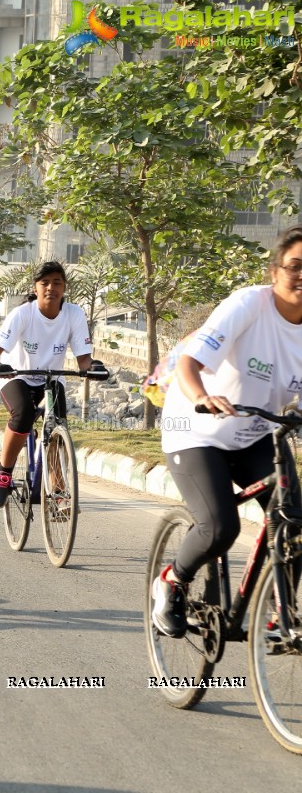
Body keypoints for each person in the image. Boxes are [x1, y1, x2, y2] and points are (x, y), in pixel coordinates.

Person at [151, 227, 302, 638]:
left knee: (295, 520)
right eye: (296, 266)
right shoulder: (248, 304)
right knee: (220, 527)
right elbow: (188, 363)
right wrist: (201, 396)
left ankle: (281, 614)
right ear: (275, 272)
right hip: (198, 430)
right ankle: (171, 581)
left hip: (256, 433)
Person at [0, 261, 99, 506]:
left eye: (57, 283)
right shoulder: (23, 313)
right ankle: (3, 473)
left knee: (58, 425)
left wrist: (94, 368)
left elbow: (84, 360)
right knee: (22, 415)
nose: (50, 288)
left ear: (64, 288)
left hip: (51, 379)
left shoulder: (74, 314)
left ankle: (58, 491)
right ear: (35, 288)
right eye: (44, 283)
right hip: (17, 376)